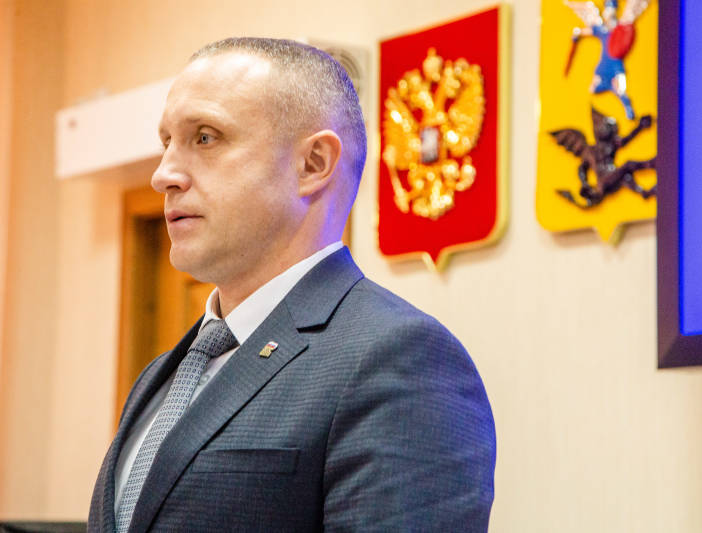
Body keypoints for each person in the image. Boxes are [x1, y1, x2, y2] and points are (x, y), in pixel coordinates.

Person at [88, 37, 495, 532]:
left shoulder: (397, 357)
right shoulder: (164, 373)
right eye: (166, 143)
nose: (163, 175)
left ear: (312, 164)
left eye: (205, 137)